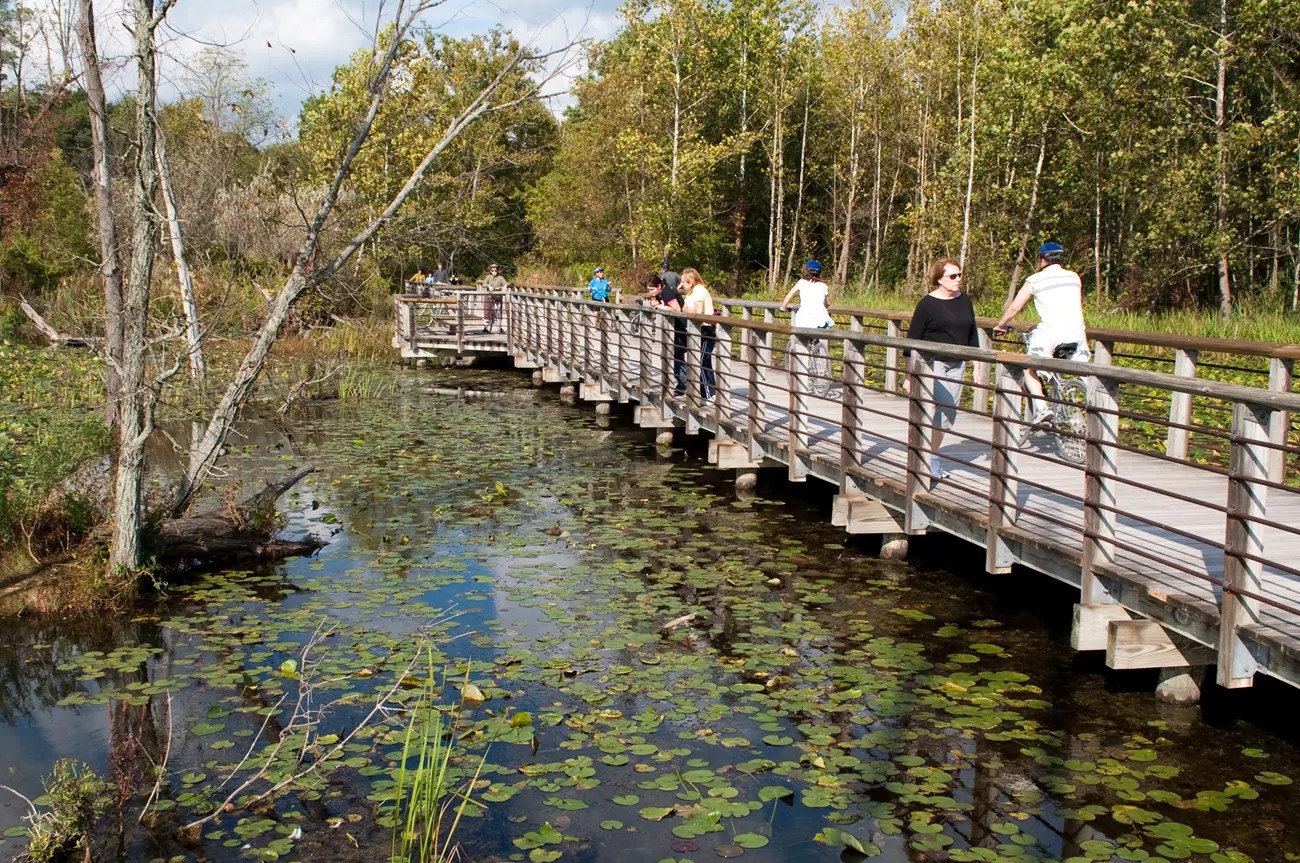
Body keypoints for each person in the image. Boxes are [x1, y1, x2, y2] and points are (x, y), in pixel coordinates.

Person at [993, 241, 1090, 425]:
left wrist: (1001, 325)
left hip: (1051, 332)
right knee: (1082, 371)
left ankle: (1042, 408)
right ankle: (1090, 401)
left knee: (1030, 367)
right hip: (1077, 332)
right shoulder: (1074, 277)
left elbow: (1015, 307)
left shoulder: (1035, 280)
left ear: (1044, 259)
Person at [905, 259, 979, 484]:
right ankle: (927, 459)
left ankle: (929, 455)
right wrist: (909, 376)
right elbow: (912, 341)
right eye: (953, 276)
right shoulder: (927, 304)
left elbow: (972, 333)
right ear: (939, 279)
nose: (958, 279)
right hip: (931, 363)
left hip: (957, 364)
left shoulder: (964, 301)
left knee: (948, 414)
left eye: (959, 275)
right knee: (938, 409)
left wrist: (976, 364)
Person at [681, 267, 717, 400]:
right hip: (696, 330)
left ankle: (710, 394)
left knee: (701, 362)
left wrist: (689, 309)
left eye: (684, 282)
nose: (682, 285)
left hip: (706, 329)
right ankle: (705, 393)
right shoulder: (691, 292)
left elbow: (698, 311)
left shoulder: (699, 290)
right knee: (702, 361)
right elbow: (684, 308)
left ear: (690, 281)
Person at [649, 273, 687, 394]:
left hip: (683, 328)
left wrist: (658, 306)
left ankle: (684, 384)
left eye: (652, 289)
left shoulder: (667, 292)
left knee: (675, 355)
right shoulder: (663, 292)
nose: (650, 293)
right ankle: (683, 384)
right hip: (677, 329)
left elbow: (677, 309)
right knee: (674, 355)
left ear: (660, 286)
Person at [779, 259, 833, 329]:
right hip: (820, 319)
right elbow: (828, 303)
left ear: (807, 271)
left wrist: (783, 307)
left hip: (804, 319)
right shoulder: (824, 286)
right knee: (822, 328)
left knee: (801, 335)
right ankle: (815, 338)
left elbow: (789, 296)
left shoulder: (801, 282)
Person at [479, 263, 508, 333]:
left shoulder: (501, 277)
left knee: (499, 311)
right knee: (487, 311)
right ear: (490, 271)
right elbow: (484, 284)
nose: (494, 271)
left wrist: (503, 287)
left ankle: (500, 328)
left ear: (497, 270)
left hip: (498, 295)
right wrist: (489, 286)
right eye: (492, 270)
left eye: (495, 270)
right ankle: (485, 327)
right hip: (489, 296)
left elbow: (506, 284)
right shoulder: (488, 277)